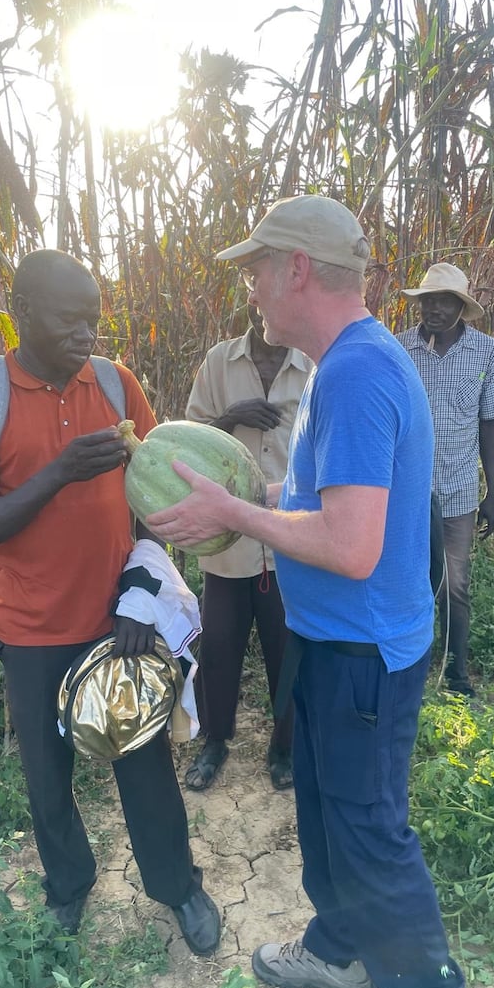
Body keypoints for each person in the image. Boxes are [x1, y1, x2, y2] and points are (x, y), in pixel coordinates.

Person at [145, 196, 469, 988]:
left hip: (364, 652)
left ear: (295, 269)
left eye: (255, 269)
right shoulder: (340, 363)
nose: (249, 288)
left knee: (368, 830)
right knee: (330, 818)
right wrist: (253, 503)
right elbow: (325, 510)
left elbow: (352, 545)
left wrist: (233, 512)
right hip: (333, 643)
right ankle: (340, 954)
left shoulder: (359, 372)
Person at [0, 249, 221, 954]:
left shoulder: (118, 387)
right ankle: (68, 888)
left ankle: (178, 887)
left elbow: (158, 509)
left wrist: (140, 596)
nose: (86, 335)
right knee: (48, 780)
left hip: (117, 625)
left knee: (146, 767)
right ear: (23, 311)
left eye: (94, 320)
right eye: (69, 320)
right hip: (31, 631)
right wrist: (60, 472)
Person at [183, 302, 312, 792]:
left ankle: (284, 749)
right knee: (217, 649)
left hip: (288, 536)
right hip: (228, 537)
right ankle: (214, 742)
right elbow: (188, 443)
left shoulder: (313, 367)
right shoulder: (220, 362)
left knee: (288, 651)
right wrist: (230, 417)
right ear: (253, 304)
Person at [397, 264, 494, 699]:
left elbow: (489, 423)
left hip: (458, 489)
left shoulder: (487, 353)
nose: (434, 309)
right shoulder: (400, 348)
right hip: (405, 491)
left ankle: (457, 674)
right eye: (427, 300)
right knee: (409, 578)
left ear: (462, 307)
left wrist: (492, 493)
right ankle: (411, 666)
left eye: (444, 301)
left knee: (454, 583)